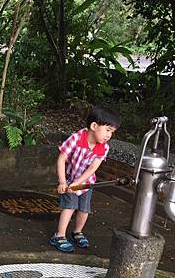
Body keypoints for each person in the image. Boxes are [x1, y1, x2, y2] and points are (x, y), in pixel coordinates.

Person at [49, 106, 121, 252]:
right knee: (69, 207)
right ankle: (59, 235)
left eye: (112, 132)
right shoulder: (76, 139)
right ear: (94, 126)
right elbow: (62, 158)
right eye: (107, 130)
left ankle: (77, 232)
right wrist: (63, 181)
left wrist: (80, 182)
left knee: (84, 209)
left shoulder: (103, 147)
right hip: (69, 180)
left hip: (87, 183)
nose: (109, 135)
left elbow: (93, 168)